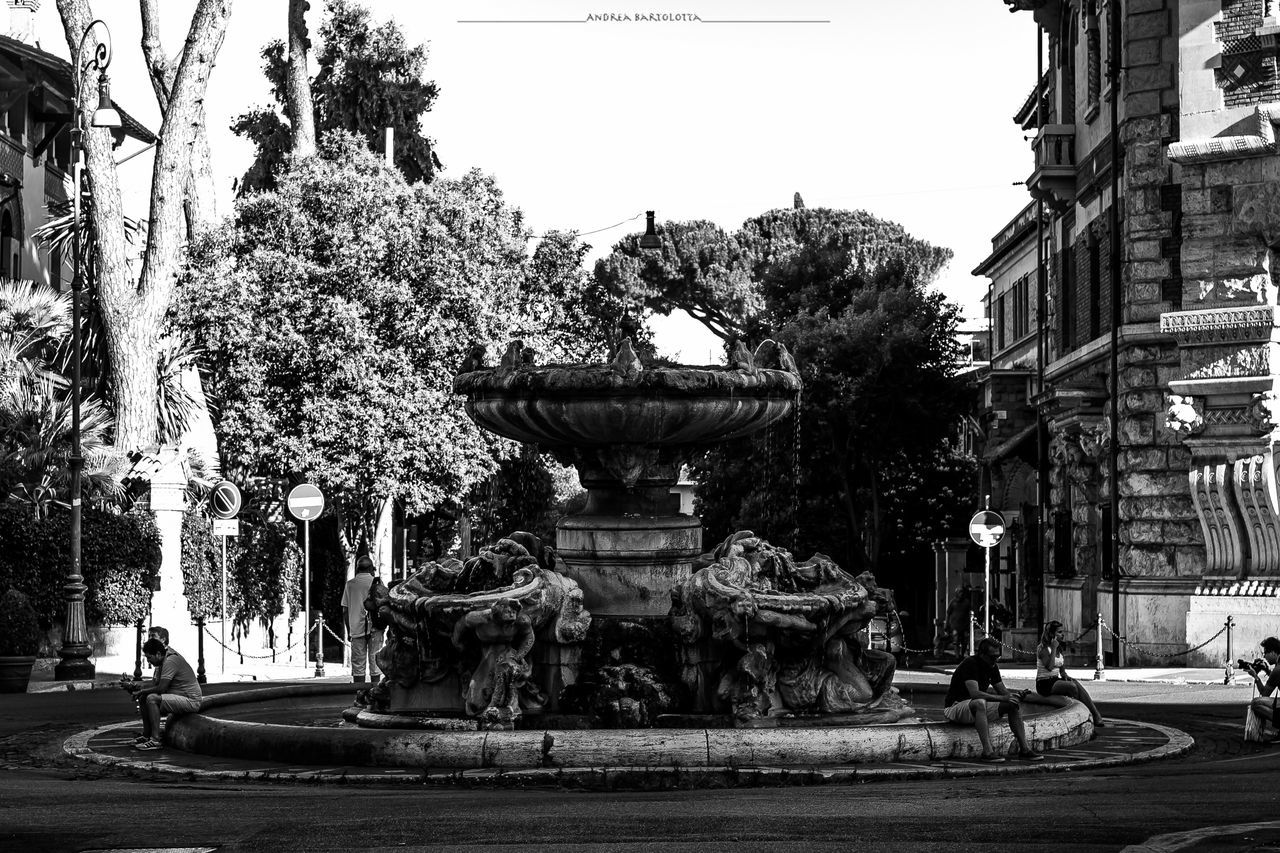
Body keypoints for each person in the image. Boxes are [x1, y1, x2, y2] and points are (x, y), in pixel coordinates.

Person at [944, 637, 1045, 763]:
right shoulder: (970, 663)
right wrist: (1003, 698)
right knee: (980, 702)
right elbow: (974, 693)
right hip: (956, 707)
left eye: (998, 656)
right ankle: (988, 752)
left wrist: (1015, 696)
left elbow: (1003, 692)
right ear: (982, 654)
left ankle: (1024, 749)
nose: (995, 660)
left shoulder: (992, 666)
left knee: (1012, 704)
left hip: (975, 708)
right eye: (992, 657)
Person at [124, 638, 202, 750]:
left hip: (190, 701)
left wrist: (141, 691)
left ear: (158, 654)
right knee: (143, 697)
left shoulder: (170, 661)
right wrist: (132, 685)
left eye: (149, 658)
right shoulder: (163, 660)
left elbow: (161, 688)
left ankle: (155, 739)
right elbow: (153, 684)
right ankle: (147, 736)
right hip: (180, 697)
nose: (149, 661)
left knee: (152, 699)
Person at [1034, 620, 1105, 728]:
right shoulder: (1043, 648)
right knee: (1071, 687)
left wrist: (1065, 676)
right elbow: (1049, 667)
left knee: (1074, 683)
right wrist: (1053, 648)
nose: (1062, 635)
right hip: (1044, 683)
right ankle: (1079, 715)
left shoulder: (1059, 648)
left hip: (1054, 679)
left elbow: (1062, 670)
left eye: (1062, 632)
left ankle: (1095, 714)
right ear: (1052, 634)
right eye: (1059, 632)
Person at [343, 554, 385, 683]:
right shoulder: (377, 583)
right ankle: (375, 694)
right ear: (371, 568)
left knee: (358, 665)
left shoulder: (350, 585)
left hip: (356, 628)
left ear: (357, 568)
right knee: (375, 662)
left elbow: (345, 610)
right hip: (376, 627)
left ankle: (360, 694)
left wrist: (349, 629)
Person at [1244, 636, 1280, 741]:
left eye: (1265, 653)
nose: (1265, 656)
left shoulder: (1277, 670)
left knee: (1256, 703)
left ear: (1273, 652)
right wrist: (1268, 671)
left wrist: (1256, 677)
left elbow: (1265, 693)